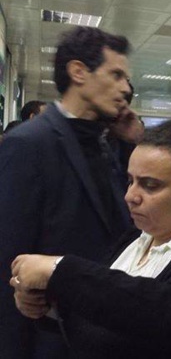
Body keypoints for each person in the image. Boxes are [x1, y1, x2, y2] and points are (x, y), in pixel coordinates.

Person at [9, 121, 171, 358]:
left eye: (150, 185)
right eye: (130, 181)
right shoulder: (135, 238)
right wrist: (46, 306)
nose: (130, 196)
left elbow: (158, 311)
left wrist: (58, 270)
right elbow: (104, 304)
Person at [0, 26, 138, 358]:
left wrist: (129, 143)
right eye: (116, 74)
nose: (125, 88)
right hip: (51, 335)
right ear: (79, 72)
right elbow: (8, 254)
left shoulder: (106, 142)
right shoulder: (29, 144)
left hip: (104, 327)